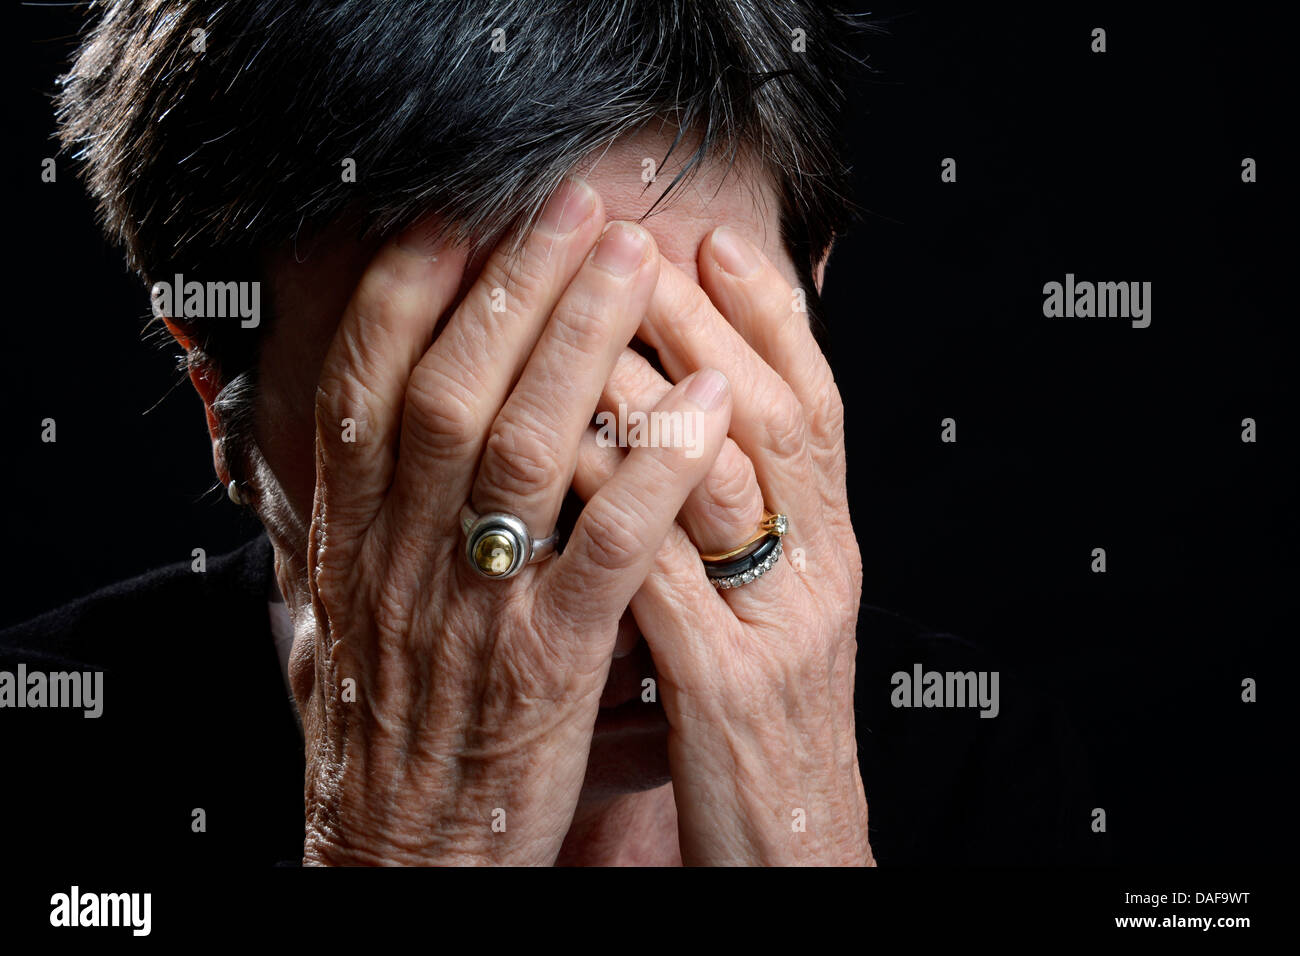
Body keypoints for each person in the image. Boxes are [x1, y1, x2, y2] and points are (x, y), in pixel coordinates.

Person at [1, 0, 1096, 866]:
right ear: (213, 390)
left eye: (659, 365)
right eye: (451, 412)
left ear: (805, 302)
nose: (600, 534)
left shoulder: (976, 766)